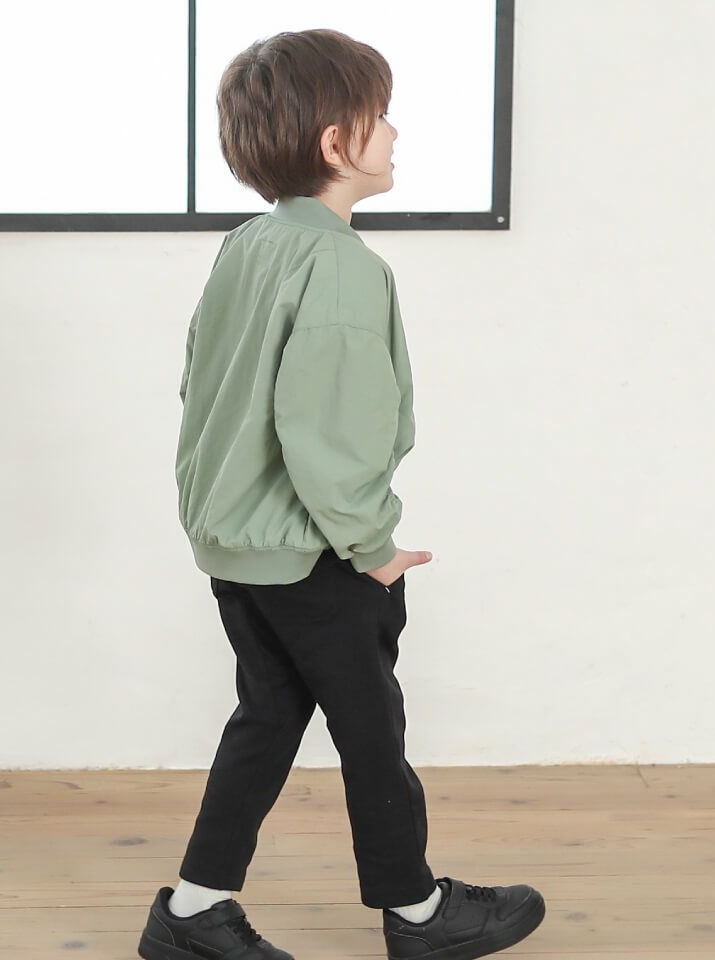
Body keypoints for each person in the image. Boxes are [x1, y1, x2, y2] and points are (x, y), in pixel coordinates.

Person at [138, 27, 545, 960]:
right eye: (380, 115)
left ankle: (194, 911)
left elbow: (203, 386)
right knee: (371, 727)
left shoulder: (248, 245)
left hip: (234, 541)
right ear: (336, 142)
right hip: (311, 548)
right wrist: (372, 547)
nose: (394, 132)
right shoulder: (343, 267)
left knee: (269, 715)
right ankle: (418, 912)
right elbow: (328, 432)